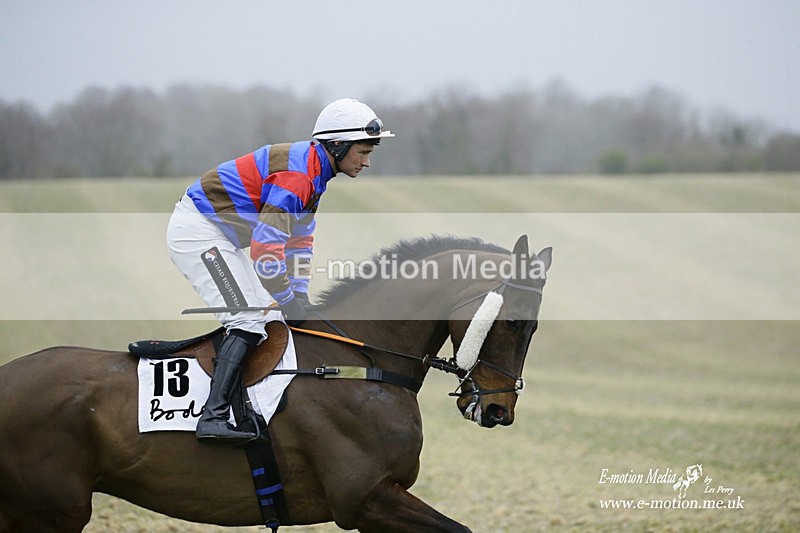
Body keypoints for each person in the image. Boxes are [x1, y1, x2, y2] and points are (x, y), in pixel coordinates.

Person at [166, 98, 394, 444]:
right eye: (362, 151)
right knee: (246, 319)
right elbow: (266, 248)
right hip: (198, 232)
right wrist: (287, 297)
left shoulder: (316, 173)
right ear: (338, 145)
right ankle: (212, 417)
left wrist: (299, 294)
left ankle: (246, 409)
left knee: (268, 319)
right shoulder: (299, 176)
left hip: (222, 236)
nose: (367, 161)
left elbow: (300, 241)